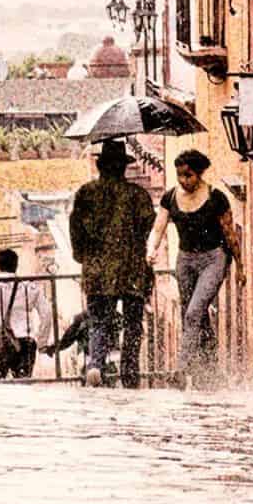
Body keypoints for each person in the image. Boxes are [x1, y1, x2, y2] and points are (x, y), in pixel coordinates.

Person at [146, 148, 245, 388]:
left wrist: (240, 266)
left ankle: (182, 370)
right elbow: (158, 227)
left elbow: (230, 235)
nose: (183, 180)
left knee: (193, 313)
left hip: (213, 259)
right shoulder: (170, 198)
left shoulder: (216, 198)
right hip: (185, 260)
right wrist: (152, 249)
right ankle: (209, 370)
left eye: (188, 175)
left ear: (199, 174)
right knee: (194, 315)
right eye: (180, 175)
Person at [68, 139, 155, 388]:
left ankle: (95, 364)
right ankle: (129, 370)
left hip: (97, 269)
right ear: (123, 168)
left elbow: (75, 228)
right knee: (133, 323)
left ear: (100, 166)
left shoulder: (86, 194)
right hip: (132, 270)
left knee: (99, 321)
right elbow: (146, 227)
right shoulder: (138, 196)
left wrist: (81, 255)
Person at [0, 249, 51, 379]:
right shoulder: (30, 286)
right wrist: (42, 341)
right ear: (16, 265)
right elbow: (46, 314)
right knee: (23, 382)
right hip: (25, 340)